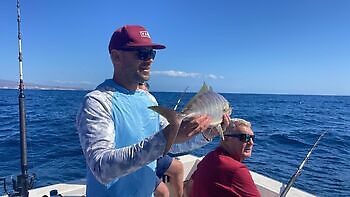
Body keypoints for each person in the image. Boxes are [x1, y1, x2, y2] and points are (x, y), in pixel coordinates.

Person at [76, 24, 230, 197]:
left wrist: (207, 133)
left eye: (151, 53)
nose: (149, 59)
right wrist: (165, 138)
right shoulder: (97, 102)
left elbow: (174, 144)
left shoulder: (149, 99)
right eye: (142, 53)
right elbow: (102, 167)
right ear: (116, 57)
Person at [186, 118, 261, 197]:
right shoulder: (236, 170)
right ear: (226, 138)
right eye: (244, 137)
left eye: (252, 138)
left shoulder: (209, 158)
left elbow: (189, 186)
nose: (251, 142)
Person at [138, 82, 185, 197]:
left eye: (145, 93)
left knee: (178, 167)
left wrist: (205, 135)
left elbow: (174, 143)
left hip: (154, 156)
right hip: (139, 159)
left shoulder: (153, 110)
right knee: (163, 191)